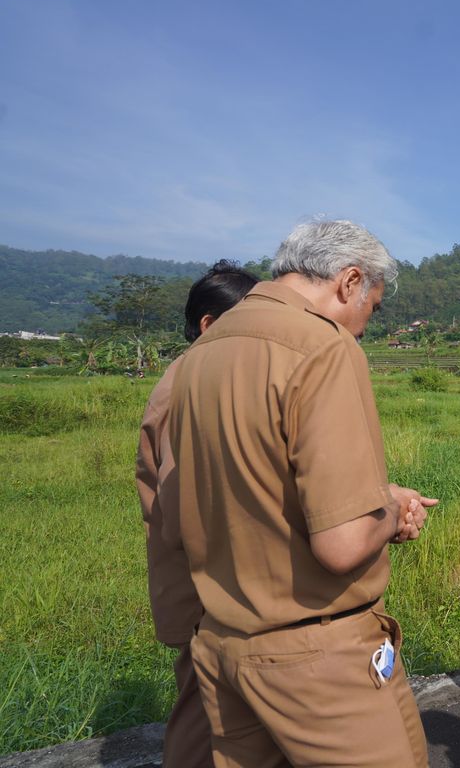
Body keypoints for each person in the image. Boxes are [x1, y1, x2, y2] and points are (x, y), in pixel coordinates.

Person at [166, 220, 437, 768]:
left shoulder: (200, 355)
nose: (364, 327)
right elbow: (341, 543)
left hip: (223, 645)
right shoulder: (323, 346)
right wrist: (390, 509)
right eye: (372, 307)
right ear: (349, 280)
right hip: (316, 655)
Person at [136, 260, 258, 768]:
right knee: (204, 711)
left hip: (205, 585)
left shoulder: (194, 378)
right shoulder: (191, 386)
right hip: (205, 588)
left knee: (208, 707)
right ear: (209, 325)